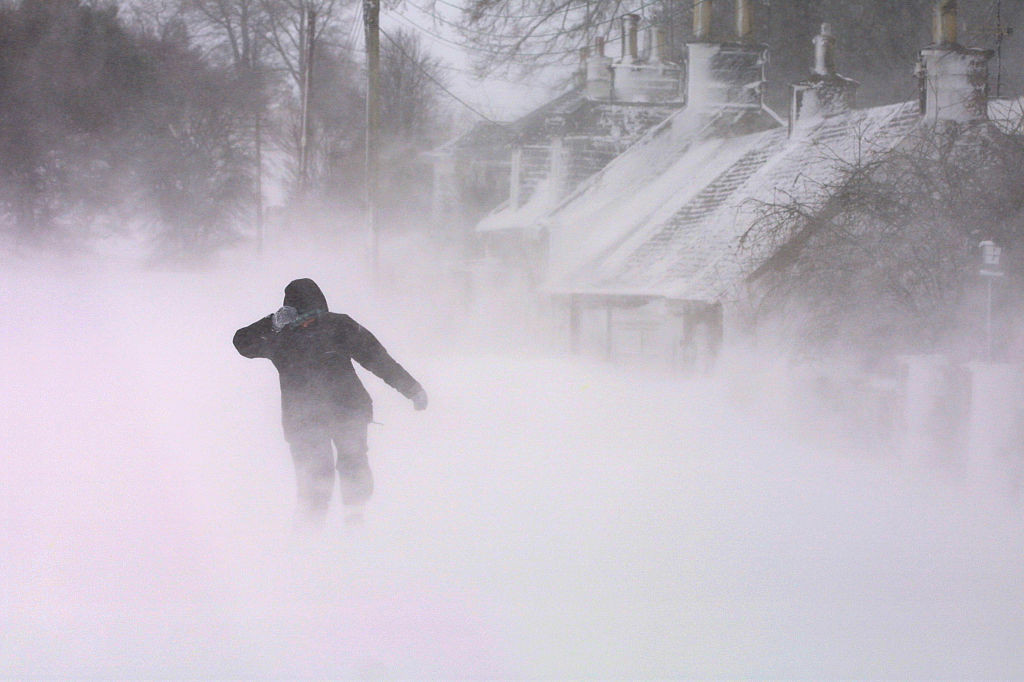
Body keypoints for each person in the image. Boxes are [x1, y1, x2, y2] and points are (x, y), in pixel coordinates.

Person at [233, 278, 427, 528]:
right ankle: (308, 539)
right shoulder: (279, 335)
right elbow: (242, 343)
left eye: (315, 314)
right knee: (314, 478)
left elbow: (378, 360)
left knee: (353, 463)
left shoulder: (339, 326)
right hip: (303, 421)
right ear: (290, 315)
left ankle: (355, 520)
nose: (309, 321)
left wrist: (412, 389)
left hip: (348, 410)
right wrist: (272, 324)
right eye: (303, 316)